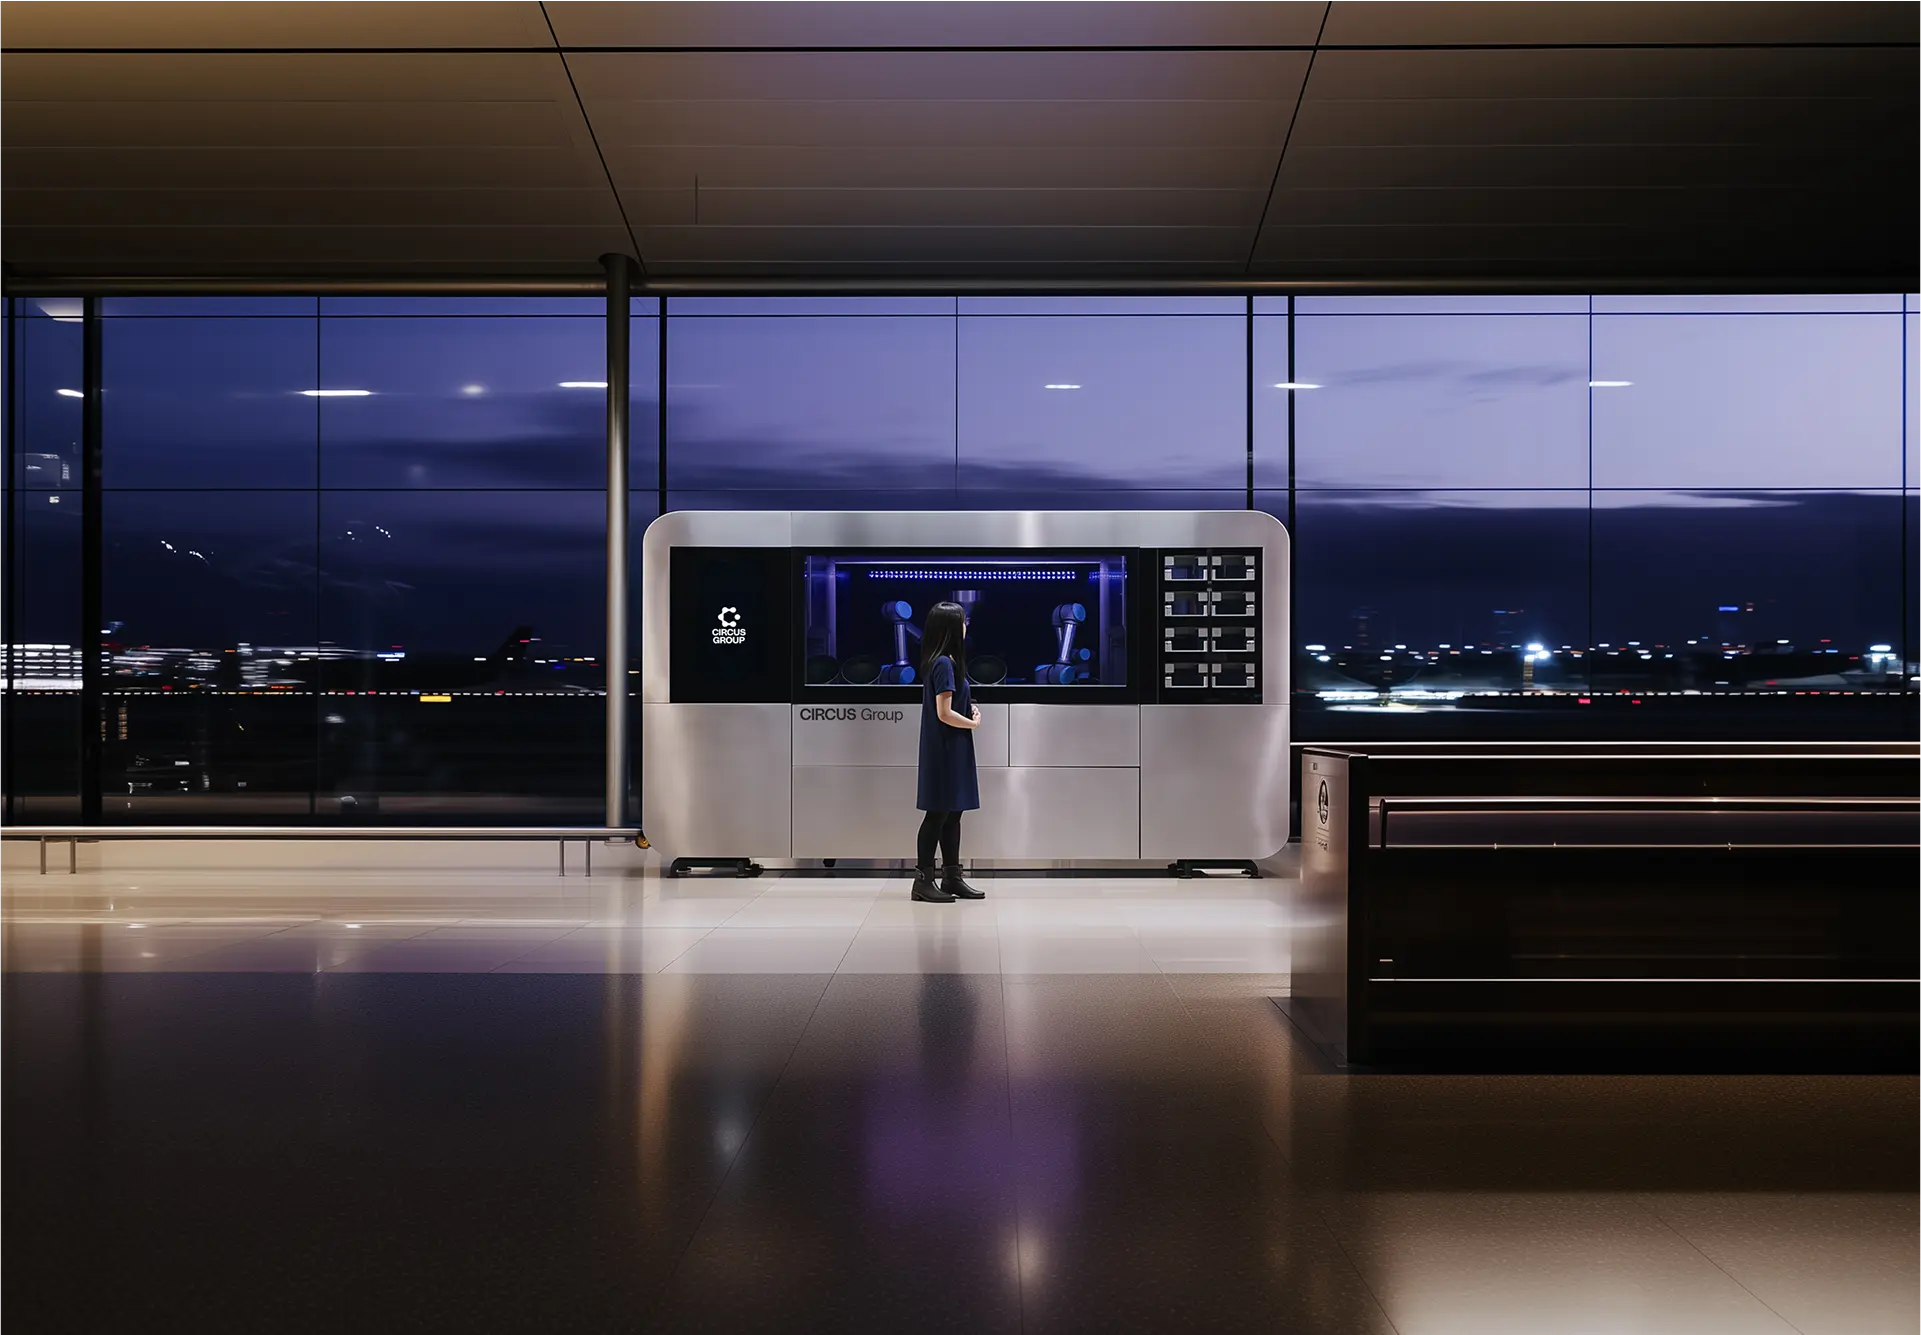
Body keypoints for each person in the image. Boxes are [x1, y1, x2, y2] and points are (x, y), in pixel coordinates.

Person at [913, 601, 985, 903]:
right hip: (945, 746)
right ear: (952, 627)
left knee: (953, 813)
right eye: (963, 620)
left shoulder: (947, 662)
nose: (966, 625)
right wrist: (972, 722)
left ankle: (952, 877)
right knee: (938, 814)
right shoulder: (943, 663)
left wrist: (968, 709)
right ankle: (923, 881)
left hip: (952, 745)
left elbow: (949, 705)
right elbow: (944, 713)